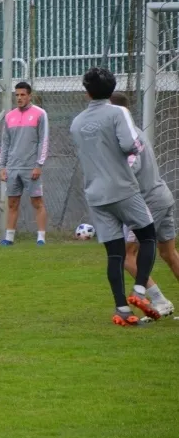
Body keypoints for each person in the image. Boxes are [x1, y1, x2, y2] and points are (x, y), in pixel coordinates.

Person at [69, 68, 160, 326]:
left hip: (95, 193)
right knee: (148, 235)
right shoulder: (119, 112)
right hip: (122, 188)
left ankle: (122, 310)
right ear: (112, 89)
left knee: (115, 253)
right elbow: (130, 145)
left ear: (86, 92)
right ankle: (140, 291)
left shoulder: (76, 122)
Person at [110, 92, 178, 319]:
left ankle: (160, 301)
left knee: (127, 254)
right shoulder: (135, 132)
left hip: (148, 201)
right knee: (169, 253)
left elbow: (132, 166)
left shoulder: (126, 139)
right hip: (162, 195)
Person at [0, 82, 49, 245]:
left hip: (30, 167)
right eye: (17, 95)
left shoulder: (40, 114)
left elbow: (43, 140)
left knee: (37, 202)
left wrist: (38, 165)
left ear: (29, 96)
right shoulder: (9, 116)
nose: (19, 98)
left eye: (22, 95)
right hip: (13, 167)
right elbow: (5, 143)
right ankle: (9, 238)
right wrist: (3, 166)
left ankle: (41, 238)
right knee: (12, 203)